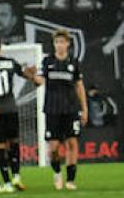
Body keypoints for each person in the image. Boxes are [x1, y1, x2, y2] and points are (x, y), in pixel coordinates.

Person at [38, 32, 89, 190]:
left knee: (72, 143)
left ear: (68, 44)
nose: (59, 45)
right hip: (52, 109)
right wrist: (32, 77)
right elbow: (40, 80)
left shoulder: (73, 62)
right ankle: (57, 172)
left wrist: (84, 109)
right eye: (56, 42)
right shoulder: (47, 61)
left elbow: (79, 87)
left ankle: (71, 180)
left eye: (62, 42)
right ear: (54, 44)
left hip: (71, 109)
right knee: (53, 147)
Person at [0, 37, 27, 193]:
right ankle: (16, 175)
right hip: (11, 107)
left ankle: (5, 183)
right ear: (0, 48)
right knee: (14, 142)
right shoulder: (10, 62)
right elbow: (25, 74)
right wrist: (35, 77)